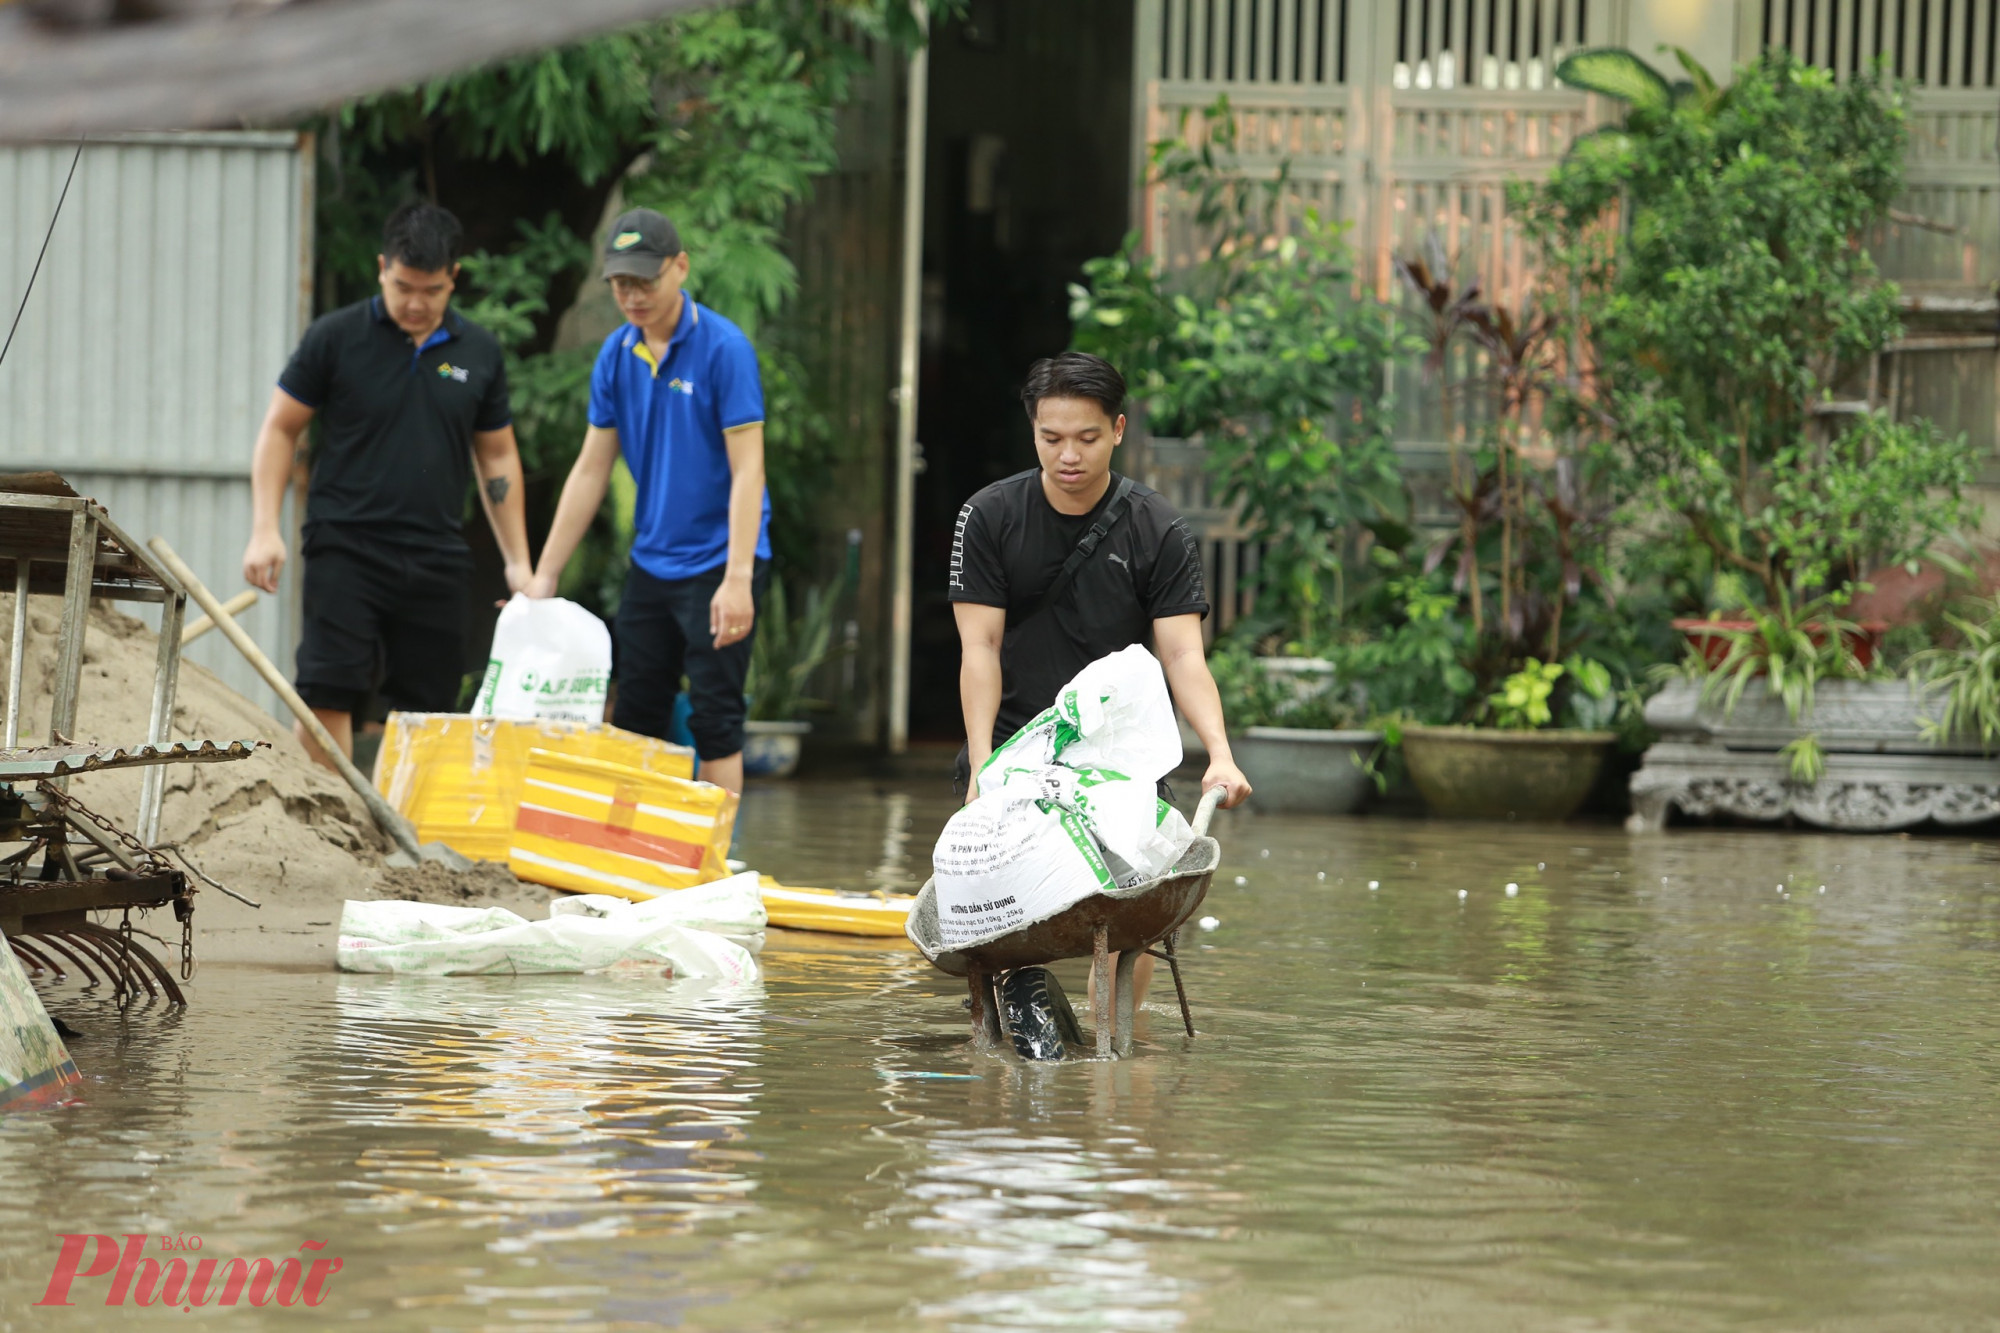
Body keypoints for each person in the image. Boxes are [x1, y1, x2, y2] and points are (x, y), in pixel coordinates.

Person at [950, 352, 1251, 1005]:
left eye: (1087, 438)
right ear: (1032, 431)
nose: (1068, 456)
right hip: (1014, 744)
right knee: (994, 913)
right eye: (1050, 438)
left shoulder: (1156, 527)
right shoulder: (990, 516)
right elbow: (981, 646)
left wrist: (1220, 753)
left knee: (1130, 915)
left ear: (1117, 429)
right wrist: (980, 768)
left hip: (1120, 753)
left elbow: (1182, 656)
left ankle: (1121, 1064)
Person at [242, 202, 530, 769]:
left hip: (438, 554)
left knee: (427, 706)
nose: (416, 303)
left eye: (432, 290)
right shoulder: (335, 337)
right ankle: (334, 831)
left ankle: (404, 841)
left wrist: (519, 561)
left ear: (455, 278)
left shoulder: (479, 353)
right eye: (403, 287)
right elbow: (280, 429)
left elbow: (497, 457)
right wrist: (263, 529)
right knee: (326, 690)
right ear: (381, 268)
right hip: (344, 543)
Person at [528, 208, 769, 795]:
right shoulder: (616, 354)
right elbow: (591, 468)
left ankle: (718, 869)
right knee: (635, 715)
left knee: (716, 721)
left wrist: (737, 579)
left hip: (719, 561)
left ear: (679, 268)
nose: (632, 296)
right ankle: (637, 863)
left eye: (645, 281)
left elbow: (749, 469)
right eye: (620, 284)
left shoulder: (723, 349)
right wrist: (544, 576)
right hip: (652, 562)